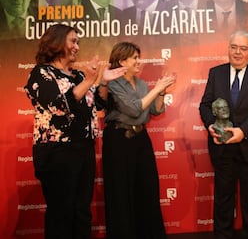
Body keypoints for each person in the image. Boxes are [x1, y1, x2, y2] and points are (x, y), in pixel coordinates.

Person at [24, 24, 127, 238]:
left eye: (78, 42)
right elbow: (59, 105)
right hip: (57, 151)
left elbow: (98, 104)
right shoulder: (41, 73)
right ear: (57, 42)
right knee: (61, 212)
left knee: (81, 212)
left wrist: (104, 83)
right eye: (72, 41)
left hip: (84, 149)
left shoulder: (78, 76)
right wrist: (91, 80)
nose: (77, 47)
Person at [199, 30, 248, 238]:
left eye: (243, 48)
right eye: (234, 47)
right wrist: (210, 126)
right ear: (228, 48)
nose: (237, 53)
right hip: (222, 147)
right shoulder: (216, 73)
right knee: (223, 199)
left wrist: (243, 131)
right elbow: (205, 105)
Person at [102, 41, 176, 238]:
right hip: (119, 141)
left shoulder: (142, 84)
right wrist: (156, 88)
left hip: (141, 140)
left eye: (138, 57)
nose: (138, 62)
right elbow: (133, 110)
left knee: (147, 189)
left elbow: (156, 109)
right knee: (121, 194)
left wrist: (161, 91)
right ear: (121, 60)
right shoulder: (113, 85)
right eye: (135, 58)